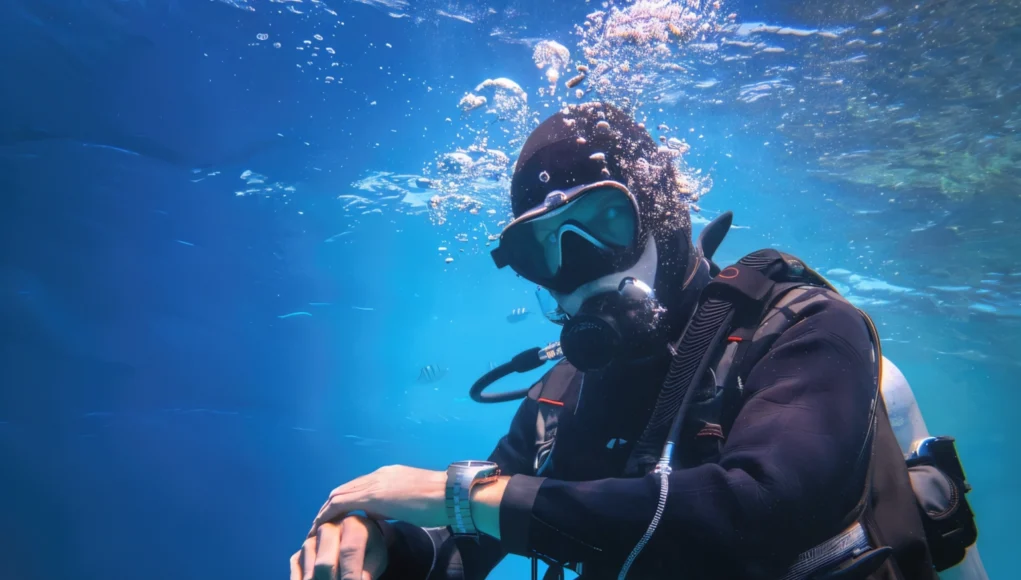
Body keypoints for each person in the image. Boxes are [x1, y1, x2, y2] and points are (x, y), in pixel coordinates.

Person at [290, 102, 981, 580]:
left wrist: (462, 496)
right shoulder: (559, 400)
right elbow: (462, 546)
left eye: (602, 222)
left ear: (661, 215)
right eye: (541, 249)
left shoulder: (803, 329)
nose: (576, 265)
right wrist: (382, 549)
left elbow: (761, 511)